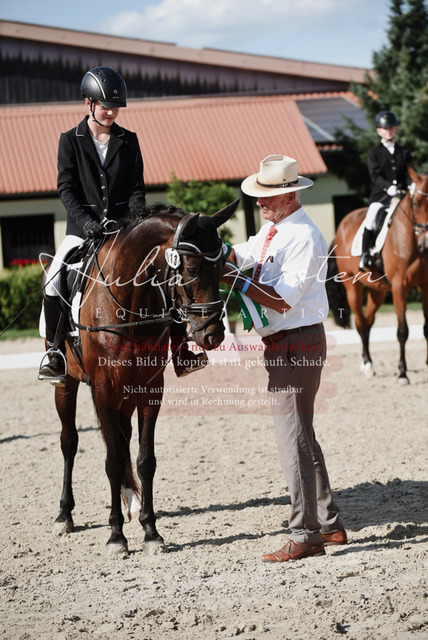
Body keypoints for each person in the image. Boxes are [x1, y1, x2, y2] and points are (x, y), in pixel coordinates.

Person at [38, 66, 206, 385]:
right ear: (88, 103)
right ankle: (55, 353)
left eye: (116, 107)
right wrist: (87, 223)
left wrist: (131, 224)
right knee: (53, 281)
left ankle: (181, 347)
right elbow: (67, 189)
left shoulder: (129, 140)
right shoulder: (69, 141)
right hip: (82, 232)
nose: (112, 112)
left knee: (164, 274)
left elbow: (136, 190)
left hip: (124, 232)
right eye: (105, 106)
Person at [222, 154, 346, 562]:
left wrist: (234, 279)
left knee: (291, 438)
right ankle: (329, 523)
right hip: (285, 343)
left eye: (267, 196)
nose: (259, 202)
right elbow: (239, 254)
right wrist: (207, 246)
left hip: (297, 341)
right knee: (301, 433)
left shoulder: (304, 236)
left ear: (290, 195)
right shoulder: (272, 231)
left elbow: (282, 300)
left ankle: (305, 533)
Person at [359, 110, 413, 271]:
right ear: (379, 130)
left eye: (391, 127)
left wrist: (411, 184)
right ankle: (365, 254)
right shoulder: (374, 152)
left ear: (396, 129)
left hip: (402, 195)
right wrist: (388, 186)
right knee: (372, 217)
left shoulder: (404, 152)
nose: (388, 131)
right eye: (385, 128)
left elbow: (409, 173)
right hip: (382, 195)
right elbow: (375, 175)